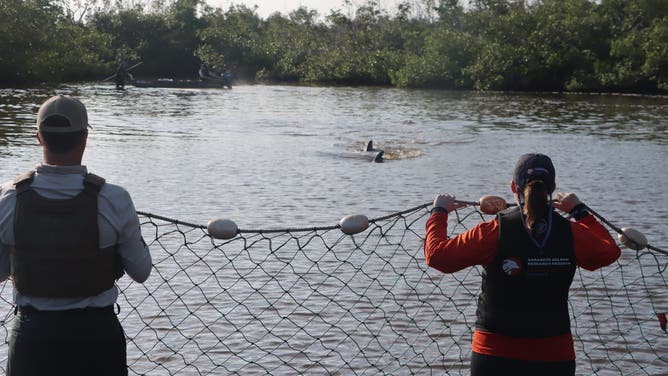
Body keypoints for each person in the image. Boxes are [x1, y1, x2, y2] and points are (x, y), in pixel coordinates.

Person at [424, 153, 621, 376]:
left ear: (512, 187)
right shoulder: (571, 233)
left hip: (494, 355)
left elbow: (438, 257)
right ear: (553, 188)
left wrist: (439, 212)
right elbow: (609, 252)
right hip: (555, 356)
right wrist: (579, 211)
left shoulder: (494, 231)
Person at [0, 95, 152, 375]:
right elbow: (141, 271)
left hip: (33, 337)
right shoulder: (114, 199)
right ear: (84, 138)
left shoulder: (8, 198)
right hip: (96, 337)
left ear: (38, 138)